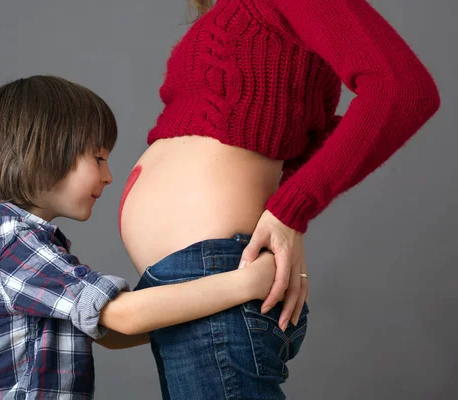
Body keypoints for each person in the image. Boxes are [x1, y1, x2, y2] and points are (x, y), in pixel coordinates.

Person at [119, 0, 440, 399]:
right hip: (189, 283)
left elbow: (402, 90)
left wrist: (291, 210)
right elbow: (293, 134)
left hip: (218, 274)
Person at [0, 75, 280, 399]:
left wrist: (211, 312)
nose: (108, 177)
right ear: (41, 151)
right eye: (98, 159)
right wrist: (246, 284)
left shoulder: (23, 240)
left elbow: (107, 333)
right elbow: (123, 316)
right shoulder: (11, 242)